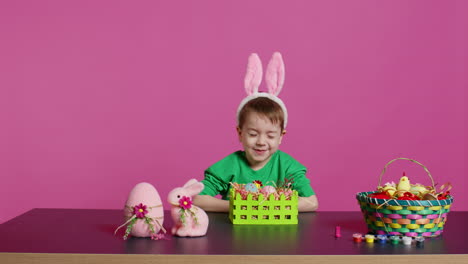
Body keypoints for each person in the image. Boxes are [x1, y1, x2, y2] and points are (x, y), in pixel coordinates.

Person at [193, 52, 318, 212]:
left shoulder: (287, 167)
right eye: (253, 134)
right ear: (240, 133)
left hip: (278, 235)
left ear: (281, 136)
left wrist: (270, 206)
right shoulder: (230, 166)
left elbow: (312, 202)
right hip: (234, 234)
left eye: (270, 135)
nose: (261, 141)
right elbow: (197, 198)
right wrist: (237, 206)